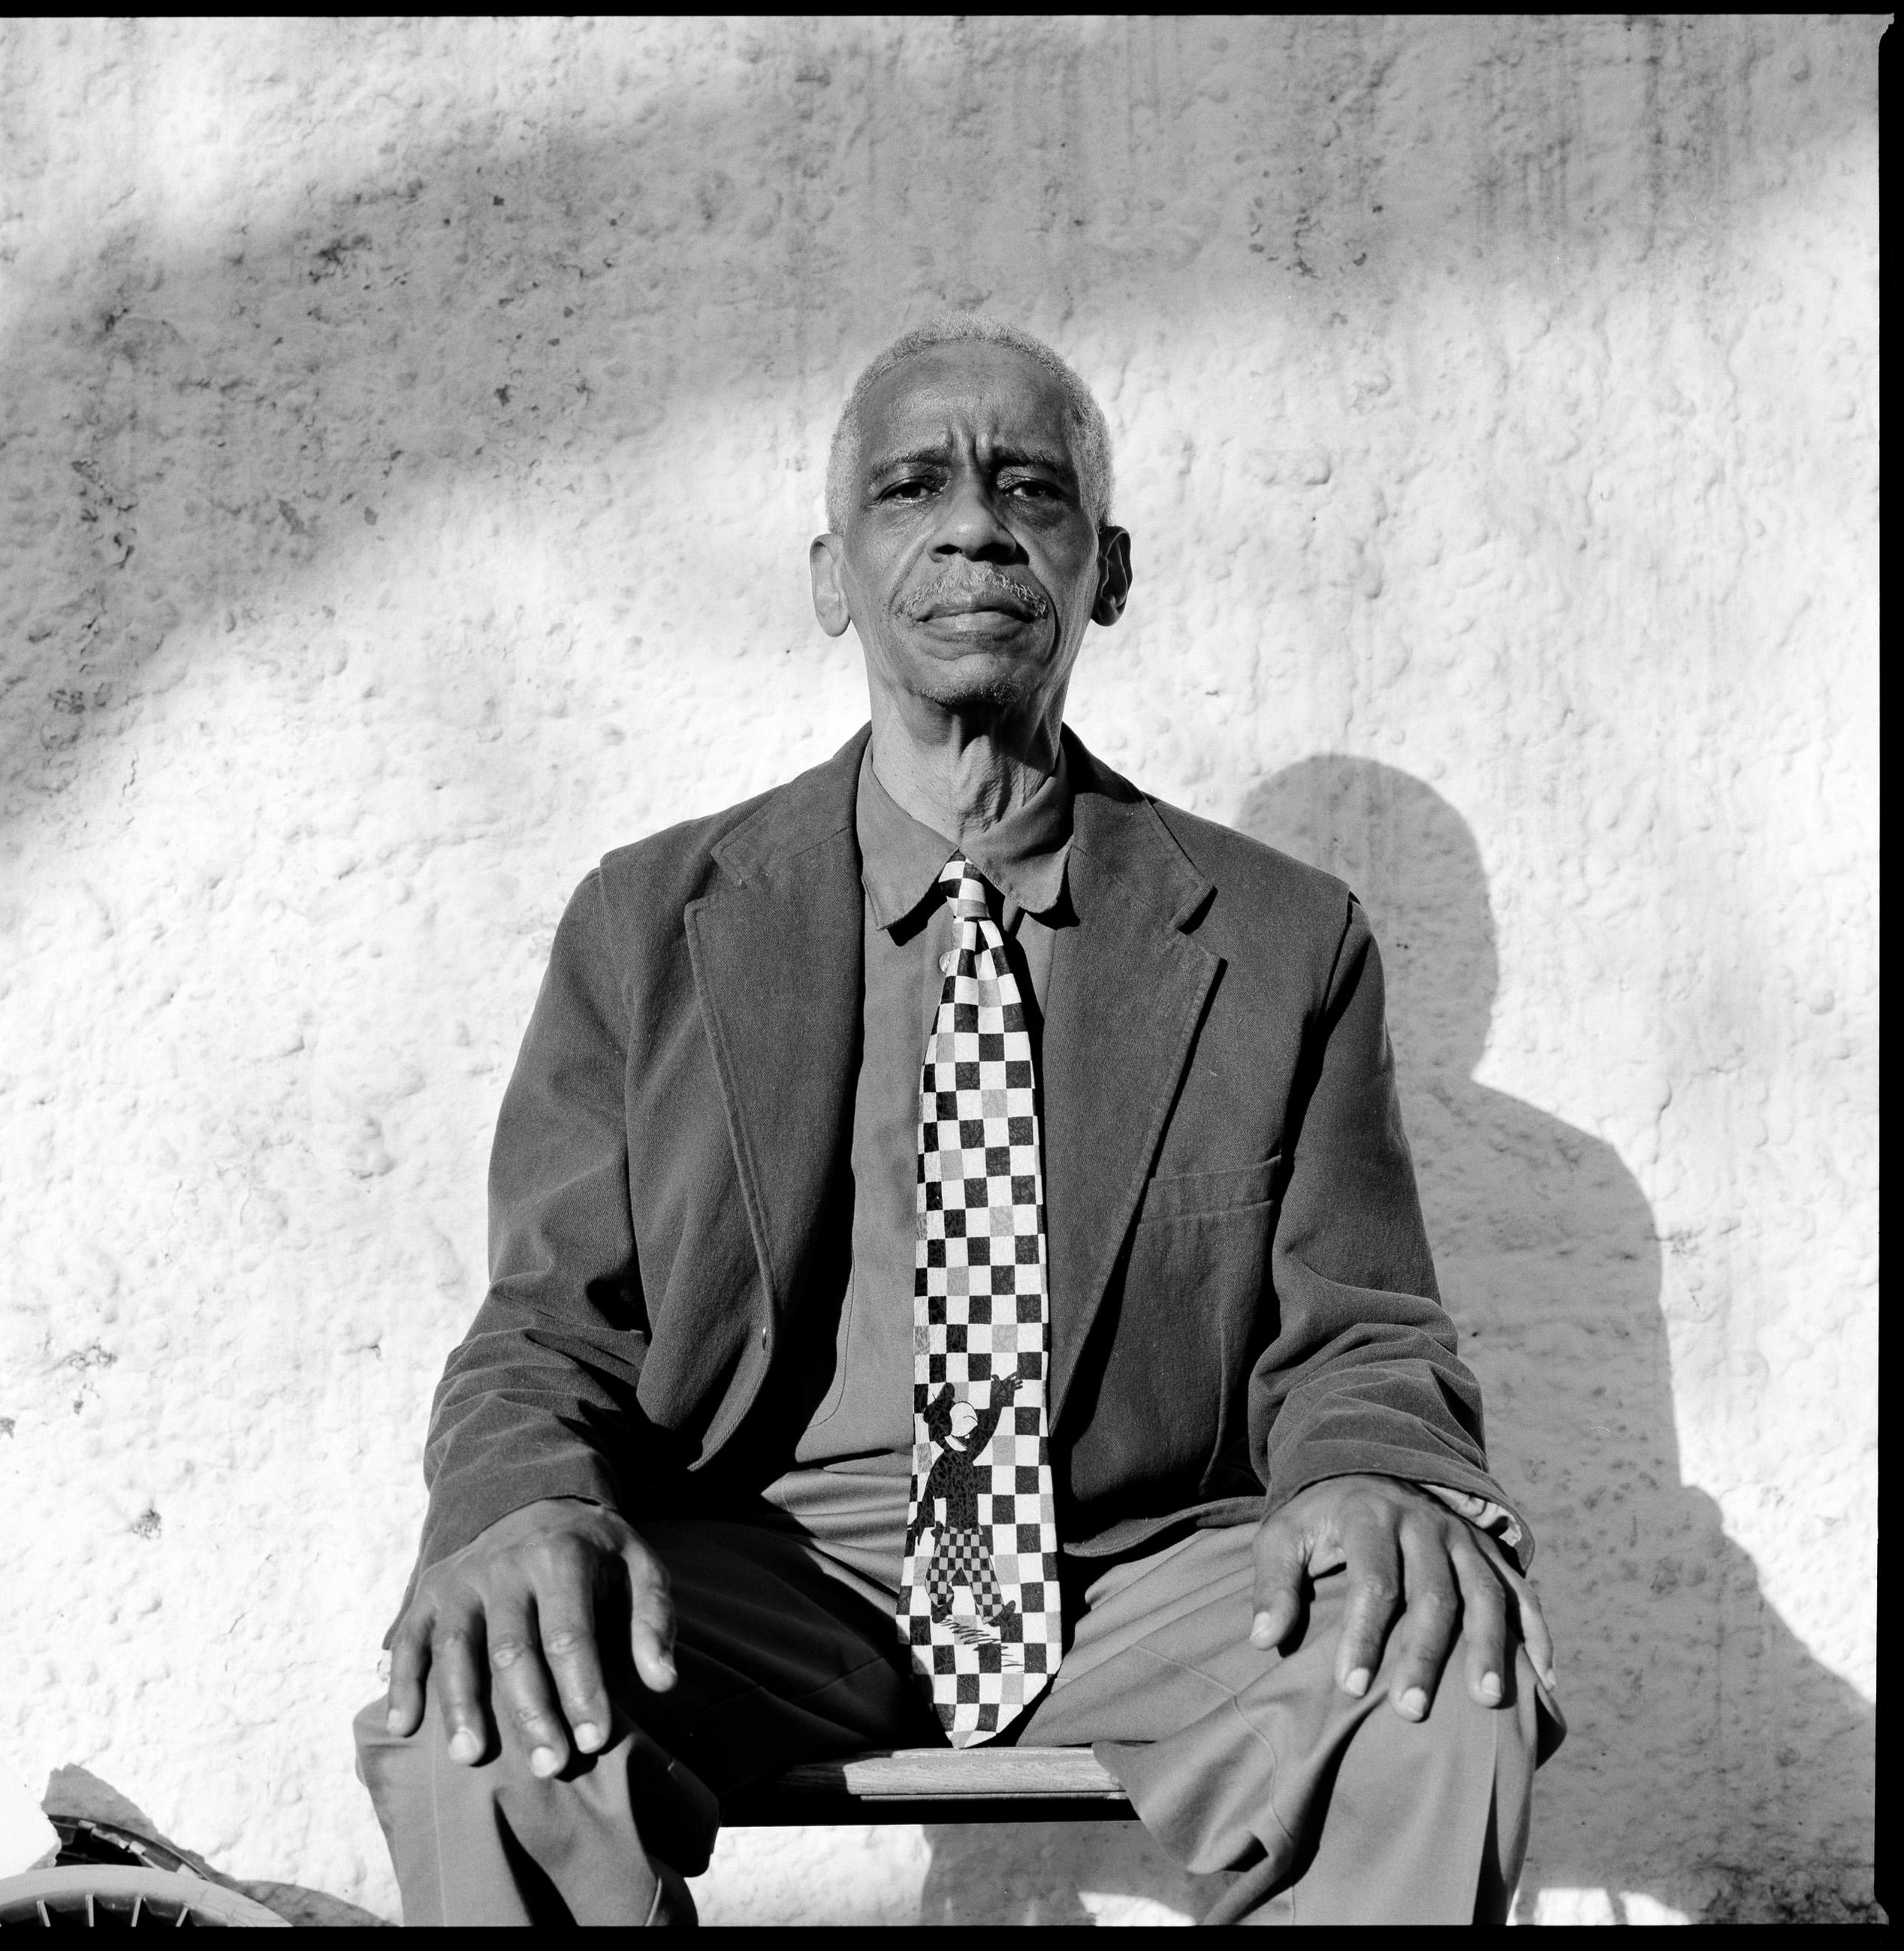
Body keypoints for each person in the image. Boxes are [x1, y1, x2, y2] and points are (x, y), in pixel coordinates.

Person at [354, 315, 1563, 1925]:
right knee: (489, 1688)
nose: (975, 523)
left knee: (1434, 1673)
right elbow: (544, 1335)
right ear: (832, 572)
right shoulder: (651, 924)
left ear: (1106, 570)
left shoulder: (1286, 943)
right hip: (770, 1575)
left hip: (1147, 1579)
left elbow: (1361, 1337)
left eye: (1031, 490)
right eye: (913, 486)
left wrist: (1385, 1480)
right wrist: (520, 1514)